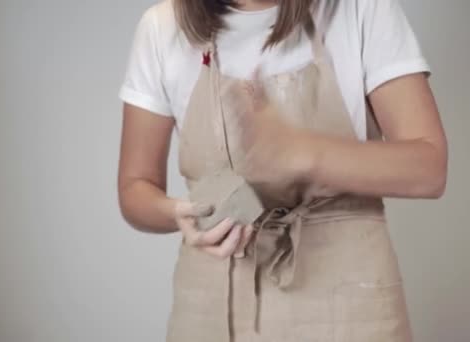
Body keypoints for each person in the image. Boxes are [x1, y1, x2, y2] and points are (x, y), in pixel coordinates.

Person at [117, 0, 447, 341]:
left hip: (350, 302)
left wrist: (301, 152)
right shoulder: (161, 27)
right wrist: (177, 214)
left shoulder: (360, 8)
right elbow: (135, 186)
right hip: (211, 308)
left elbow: (428, 168)